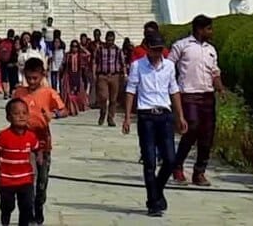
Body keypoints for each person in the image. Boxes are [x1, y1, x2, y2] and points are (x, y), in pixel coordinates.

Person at [122, 33, 188, 218]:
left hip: (165, 115)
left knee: (170, 159)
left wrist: (180, 116)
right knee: (150, 161)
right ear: (147, 49)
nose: (158, 53)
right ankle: (154, 202)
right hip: (146, 116)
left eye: (160, 49)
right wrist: (127, 117)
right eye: (154, 50)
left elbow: (174, 90)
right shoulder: (138, 66)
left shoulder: (169, 66)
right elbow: (130, 90)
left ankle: (157, 190)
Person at [169, 14, 224, 186]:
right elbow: (168, 67)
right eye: (209, 29)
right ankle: (177, 166)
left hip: (207, 96)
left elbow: (215, 72)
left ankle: (199, 172)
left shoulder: (211, 49)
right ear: (200, 29)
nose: (211, 32)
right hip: (189, 95)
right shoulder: (182, 46)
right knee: (191, 129)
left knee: (207, 135)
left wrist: (220, 88)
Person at [13, 57, 67, 224]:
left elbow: (64, 110)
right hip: (24, 140)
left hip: (43, 142)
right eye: (28, 78)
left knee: (42, 181)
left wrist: (54, 114)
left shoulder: (49, 92)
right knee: (29, 178)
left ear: (42, 75)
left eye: (35, 78)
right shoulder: (19, 93)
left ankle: (39, 205)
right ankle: (27, 211)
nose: (31, 81)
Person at [0, 97, 39, 226]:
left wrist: (39, 158)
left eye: (24, 113)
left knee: (27, 206)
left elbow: (36, 149)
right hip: (7, 179)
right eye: (16, 114)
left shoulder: (31, 136)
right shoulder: (3, 136)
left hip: (26, 178)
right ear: (8, 117)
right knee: (8, 205)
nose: (21, 116)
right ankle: (5, 218)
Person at [93, 30, 126, 127]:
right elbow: (95, 61)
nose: (110, 42)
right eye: (108, 40)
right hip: (102, 75)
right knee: (103, 97)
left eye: (112, 40)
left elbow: (122, 63)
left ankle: (110, 118)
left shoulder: (118, 50)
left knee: (113, 99)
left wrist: (124, 74)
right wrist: (94, 73)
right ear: (106, 39)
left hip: (114, 75)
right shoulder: (100, 49)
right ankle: (103, 112)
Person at [0, 29, 20, 98]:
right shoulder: (14, 42)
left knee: (4, 78)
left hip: (3, 62)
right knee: (12, 78)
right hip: (12, 62)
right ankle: (11, 92)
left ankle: (5, 93)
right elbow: (17, 51)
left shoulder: (2, 41)